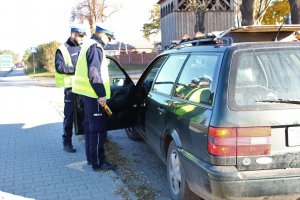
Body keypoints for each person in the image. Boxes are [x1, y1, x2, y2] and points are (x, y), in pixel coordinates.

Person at [72, 23, 116, 171]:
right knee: (98, 130)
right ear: (103, 34)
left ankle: (92, 159)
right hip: (95, 96)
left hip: (87, 95)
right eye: (109, 38)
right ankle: (99, 163)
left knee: (90, 129)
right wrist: (101, 94)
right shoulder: (96, 47)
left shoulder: (87, 44)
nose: (110, 41)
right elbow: (94, 72)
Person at [54, 25, 86, 153]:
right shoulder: (62, 49)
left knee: (85, 114)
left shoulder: (82, 47)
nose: (82, 38)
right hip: (70, 89)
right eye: (80, 35)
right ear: (73, 34)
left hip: (83, 87)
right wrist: (76, 70)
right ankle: (67, 142)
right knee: (69, 116)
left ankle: (86, 137)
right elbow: (59, 67)